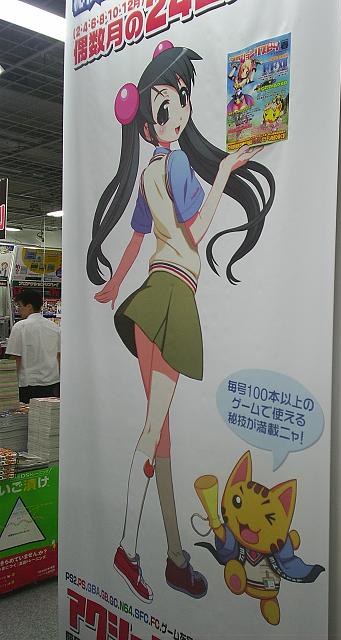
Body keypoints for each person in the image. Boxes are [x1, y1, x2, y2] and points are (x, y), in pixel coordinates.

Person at [86, 42, 275, 603]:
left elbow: (139, 236)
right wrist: (224, 176)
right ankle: (128, 548)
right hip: (171, 296)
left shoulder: (151, 170)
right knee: (153, 431)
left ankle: (173, 556)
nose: (179, 111)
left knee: (160, 433)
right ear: (149, 124)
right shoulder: (176, 165)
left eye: (181, 98)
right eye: (166, 105)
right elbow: (191, 233)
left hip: (152, 294)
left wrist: (116, 284)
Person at [6, 288, 60, 403]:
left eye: (20, 306)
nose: (18, 309)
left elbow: (16, 358)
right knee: (47, 413)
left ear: (29, 306)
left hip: (29, 385)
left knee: (26, 413)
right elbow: (59, 356)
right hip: (52, 383)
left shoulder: (20, 327)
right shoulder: (55, 327)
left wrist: (8, 385)